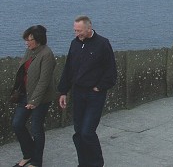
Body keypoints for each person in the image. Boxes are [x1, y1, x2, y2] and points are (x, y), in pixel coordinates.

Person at [58, 15, 117, 167]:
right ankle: (83, 163)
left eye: (79, 31)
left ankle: (97, 164)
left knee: (87, 132)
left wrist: (100, 87)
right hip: (78, 93)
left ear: (89, 28)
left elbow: (111, 70)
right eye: (75, 30)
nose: (77, 34)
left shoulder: (103, 44)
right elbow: (68, 69)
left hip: (94, 94)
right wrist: (63, 91)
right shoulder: (75, 44)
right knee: (78, 133)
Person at [11, 25, 56, 167]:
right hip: (26, 93)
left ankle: (36, 161)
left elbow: (44, 81)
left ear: (38, 40)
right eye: (26, 39)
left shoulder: (47, 54)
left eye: (29, 40)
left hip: (41, 98)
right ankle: (28, 154)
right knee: (17, 124)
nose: (27, 42)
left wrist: (34, 101)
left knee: (36, 128)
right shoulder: (29, 51)